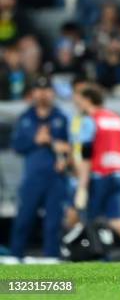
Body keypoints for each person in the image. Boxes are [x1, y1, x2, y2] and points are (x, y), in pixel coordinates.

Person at [72, 85, 120, 262]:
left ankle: (97, 254)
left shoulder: (90, 121)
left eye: (79, 100)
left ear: (87, 100)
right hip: (117, 174)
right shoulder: (116, 119)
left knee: (91, 219)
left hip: (99, 176)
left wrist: (82, 186)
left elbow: (86, 154)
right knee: (116, 219)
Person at [10, 76, 70, 258]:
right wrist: (35, 140)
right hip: (33, 177)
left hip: (56, 177)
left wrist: (62, 156)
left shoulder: (61, 117)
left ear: (52, 93)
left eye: (46, 90)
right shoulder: (25, 117)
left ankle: (51, 256)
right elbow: (16, 145)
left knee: (53, 220)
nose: (43, 94)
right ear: (33, 93)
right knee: (24, 218)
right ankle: (15, 255)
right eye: (39, 90)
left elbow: (70, 147)